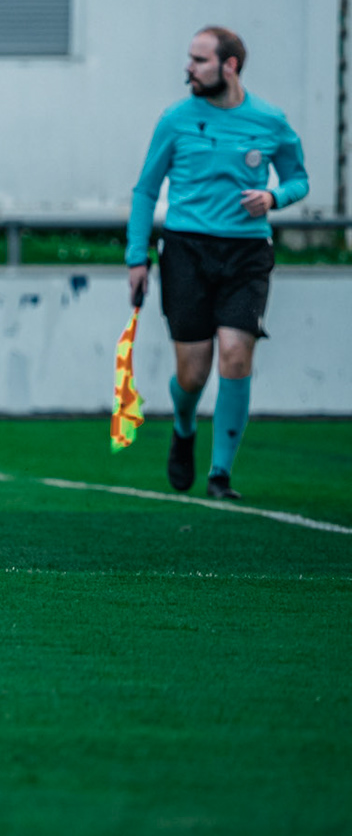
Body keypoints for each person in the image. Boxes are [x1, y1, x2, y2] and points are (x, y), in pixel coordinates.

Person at [126, 26, 308, 501]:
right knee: (193, 372)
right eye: (190, 58)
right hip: (186, 250)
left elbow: (299, 179)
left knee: (235, 354)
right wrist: (136, 257)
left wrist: (273, 195)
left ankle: (220, 474)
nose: (189, 68)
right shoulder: (176, 119)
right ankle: (184, 426)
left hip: (247, 252)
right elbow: (146, 190)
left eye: (199, 60)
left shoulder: (270, 120)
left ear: (229, 66)